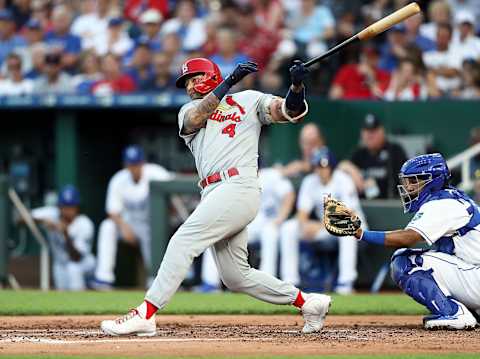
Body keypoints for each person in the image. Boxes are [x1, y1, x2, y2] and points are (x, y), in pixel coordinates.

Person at [100, 57, 331, 336]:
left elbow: (287, 111)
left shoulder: (249, 100)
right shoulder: (188, 110)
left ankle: (146, 313)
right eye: (186, 82)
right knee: (236, 276)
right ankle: (309, 303)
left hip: (239, 185)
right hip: (212, 191)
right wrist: (229, 82)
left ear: (209, 76)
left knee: (183, 241)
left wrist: (295, 86)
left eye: (194, 78)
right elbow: (197, 117)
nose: (188, 86)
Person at [331, 153, 480, 330]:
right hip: (473, 273)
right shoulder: (451, 198)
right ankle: (472, 311)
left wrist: (361, 234)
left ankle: (454, 313)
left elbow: (407, 238)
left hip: (475, 277)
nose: (408, 186)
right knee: (438, 256)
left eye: (414, 180)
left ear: (432, 180)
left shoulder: (443, 204)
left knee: (405, 261)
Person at [280, 148, 366, 294]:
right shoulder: (310, 181)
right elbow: (302, 213)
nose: (320, 169)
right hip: (325, 229)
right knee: (289, 227)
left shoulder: (343, 179)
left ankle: (346, 283)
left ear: (331, 166)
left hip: (355, 227)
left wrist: (318, 226)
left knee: (347, 231)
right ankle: (290, 282)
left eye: (324, 166)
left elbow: (349, 214)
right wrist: (305, 225)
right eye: (317, 166)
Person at [199, 167, 296, 291]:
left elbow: (289, 195)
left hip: (268, 223)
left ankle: (267, 282)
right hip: (247, 224)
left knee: (269, 232)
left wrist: (280, 218)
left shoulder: (270, 175)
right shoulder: (234, 177)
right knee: (216, 233)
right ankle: (210, 283)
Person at [92, 145, 173, 289]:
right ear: (125, 165)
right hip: (128, 224)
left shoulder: (156, 173)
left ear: (142, 163)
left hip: (151, 223)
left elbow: (174, 190)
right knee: (107, 226)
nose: (133, 168)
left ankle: (154, 278)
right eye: (130, 164)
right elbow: (112, 211)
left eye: (136, 164)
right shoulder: (118, 179)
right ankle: (104, 278)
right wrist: (124, 227)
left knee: (151, 233)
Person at [29, 185, 95, 291]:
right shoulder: (51, 213)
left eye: (70, 207)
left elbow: (76, 257)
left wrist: (65, 233)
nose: (67, 210)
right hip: (60, 264)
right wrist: (42, 221)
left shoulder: (84, 223)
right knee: (63, 292)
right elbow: (20, 218)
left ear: (77, 207)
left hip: (84, 263)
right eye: (64, 206)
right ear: (59, 206)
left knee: (74, 268)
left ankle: (85, 296)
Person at [339, 114, 408, 199]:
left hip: (389, 205)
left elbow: (407, 180)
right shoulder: (359, 153)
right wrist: (351, 170)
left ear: (382, 131)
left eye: (373, 131)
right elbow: (341, 166)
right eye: (367, 131)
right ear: (362, 133)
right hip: (363, 205)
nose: (370, 135)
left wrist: (377, 183)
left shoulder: (394, 151)